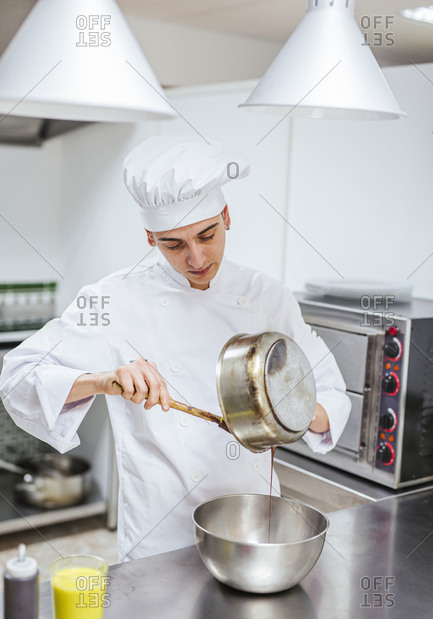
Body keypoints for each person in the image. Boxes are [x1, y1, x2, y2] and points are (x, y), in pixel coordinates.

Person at [0, 136, 351, 561]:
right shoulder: (111, 298)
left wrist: (289, 411)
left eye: (207, 234)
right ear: (150, 236)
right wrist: (103, 381)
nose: (197, 257)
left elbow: (329, 394)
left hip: (255, 525)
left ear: (226, 215)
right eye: (174, 244)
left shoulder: (267, 296)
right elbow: (18, 378)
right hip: (160, 534)